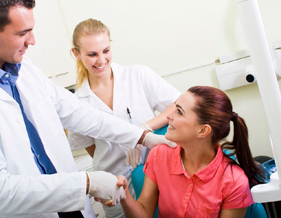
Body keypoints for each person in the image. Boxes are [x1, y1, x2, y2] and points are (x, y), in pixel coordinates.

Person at [0, 1, 176, 217]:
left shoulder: (25, 70)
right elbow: (3, 192)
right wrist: (87, 182)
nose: (33, 40)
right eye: (22, 33)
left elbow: (81, 114)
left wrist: (143, 136)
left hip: (74, 208)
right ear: (77, 54)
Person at [68, 19, 181, 218]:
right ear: (76, 54)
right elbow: (93, 149)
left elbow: (178, 105)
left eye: (106, 50)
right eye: (92, 54)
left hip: (157, 176)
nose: (101, 60)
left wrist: (144, 130)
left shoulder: (137, 75)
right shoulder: (77, 102)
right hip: (115, 187)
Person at [114, 86, 263, 218]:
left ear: (203, 130)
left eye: (179, 112)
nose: (169, 116)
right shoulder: (158, 155)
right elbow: (144, 213)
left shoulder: (234, 181)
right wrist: (124, 195)